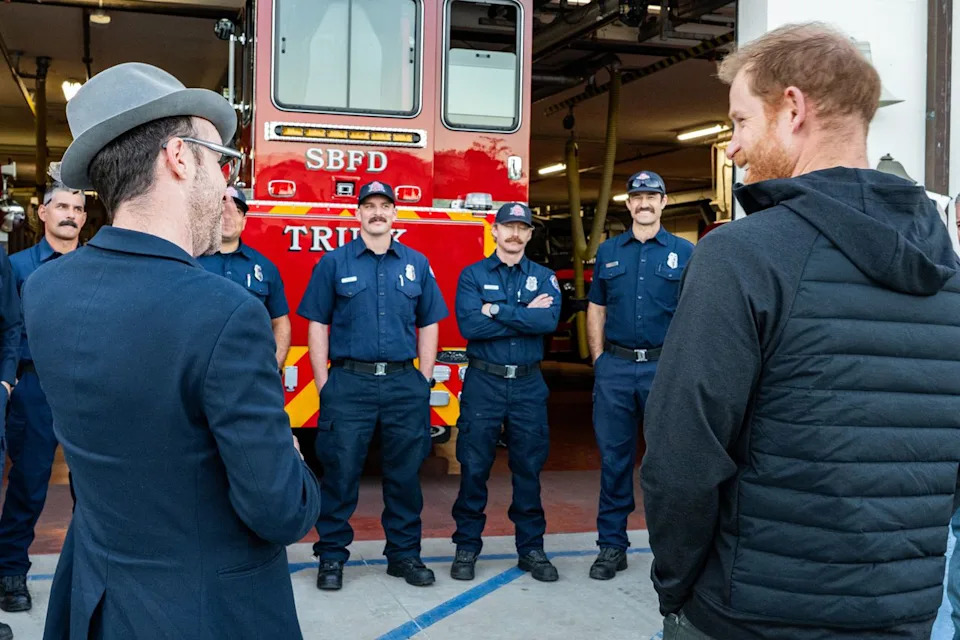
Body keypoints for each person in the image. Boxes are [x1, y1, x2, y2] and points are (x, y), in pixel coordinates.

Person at [641, 23, 960, 640]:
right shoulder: (947, 272)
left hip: (749, 616)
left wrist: (677, 591)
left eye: (738, 122)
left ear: (792, 109)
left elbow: (682, 458)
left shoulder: (740, 255)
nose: (730, 148)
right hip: (902, 618)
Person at [24, 62, 320, 639]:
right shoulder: (225, 313)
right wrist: (289, 452)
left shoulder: (44, 288)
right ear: (179, 158)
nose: (227, 183)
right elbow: (280, 509)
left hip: (94, 601)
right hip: (204, 613)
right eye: (219, 161)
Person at [298, 180, 447, 591]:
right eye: (370, 206)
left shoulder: (416, 263)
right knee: (340, 473)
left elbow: (430, 321)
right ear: (358, 213)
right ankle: (331, 557)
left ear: (395, 214)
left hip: (404, 384)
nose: (377, 212)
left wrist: (425, 378)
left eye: (385, 206)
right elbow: (317, 323)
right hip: (349, 383)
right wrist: (325, 383)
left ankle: (404, 556)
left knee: (404, 476)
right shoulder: (334, 263)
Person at [585, 170, 694, 580]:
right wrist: (598, 360)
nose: (644, 203)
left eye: (652, 196)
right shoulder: (609, 251)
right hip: (614, 369)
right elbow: (597, 308)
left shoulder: (686, 253)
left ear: (664, 202)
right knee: (614, 461)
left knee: (667, 463)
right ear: (628, 204)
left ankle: (671, 551)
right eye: (637, 197)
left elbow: (693, 314)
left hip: (663, 370)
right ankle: (611, 547)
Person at [450, 202, 561, 582]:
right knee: (473, 467)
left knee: (528, 469)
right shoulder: (472, 275)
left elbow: (547, 321)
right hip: (485, 383)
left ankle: (531, 549)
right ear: (494, 231)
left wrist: (496, 310)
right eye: (507, 226)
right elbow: (470, 325)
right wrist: (522, 314)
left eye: (522, 228)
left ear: (530, 234)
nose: (515, 234)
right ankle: (466, 546)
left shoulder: (545, 277)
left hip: (529, 384)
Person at [0, 183, 85, 614]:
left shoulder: (100, 267)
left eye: (77, 208)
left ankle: (90, 575)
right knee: (29, 484)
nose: (69, 214)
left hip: (90, 387)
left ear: (85, 219)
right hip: (33, 387)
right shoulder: (14, 268)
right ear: (43, 213)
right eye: (61, 206)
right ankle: (11, 572)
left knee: (93, 486)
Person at [198, 186, 290, 369]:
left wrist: (273, 368)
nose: (228, 216)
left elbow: (280, 322)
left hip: (249, 373)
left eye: (237, 211)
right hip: (198, 372)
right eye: (221, 209)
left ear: (244, 221)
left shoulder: (265, 268)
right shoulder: (190, 261)